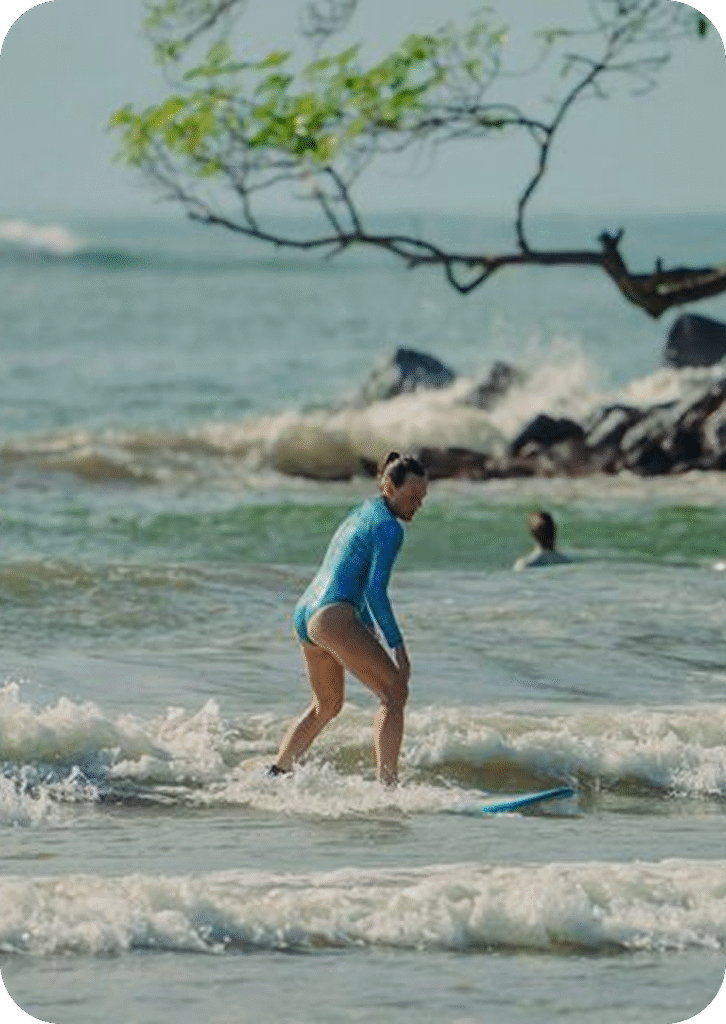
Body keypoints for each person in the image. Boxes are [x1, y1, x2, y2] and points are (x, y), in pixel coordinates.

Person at [268, 452, 428, 786]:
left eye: (422, 498)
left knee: (326, 705)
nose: (418, 505)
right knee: (394, 693)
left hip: (307, 614)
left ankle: (276, 773)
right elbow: (374, 590)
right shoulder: (389, 528)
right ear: (388, 486)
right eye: (412, 496)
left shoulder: (362, 512)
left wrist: (366, 625)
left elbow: (352, 575)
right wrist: (398, 646)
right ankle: (389, 788)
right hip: (334, 614)